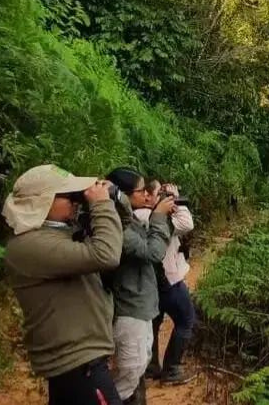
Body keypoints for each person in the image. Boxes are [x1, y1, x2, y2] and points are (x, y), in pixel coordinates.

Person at [3, 164, 123, 405]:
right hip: (78, 364)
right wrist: (101, 205)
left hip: (78, 363)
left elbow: (119, 232)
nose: (76, 201)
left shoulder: (55, 235)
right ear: (43, 201)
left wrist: (115, 200)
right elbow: (107, 254)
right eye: (69, 196)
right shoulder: (30, 246)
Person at [106, 167, 174, 405]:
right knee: (126, 376)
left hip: (139, 307)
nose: (146, 195)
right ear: (122, 195)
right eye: (141, 190)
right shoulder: (114, 225)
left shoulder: (128, 218)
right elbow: (153, 251)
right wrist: (157, 217)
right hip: (128, 309)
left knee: (137, 369)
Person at [137, 180, 196, 384]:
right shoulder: (153, 218)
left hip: (150, 281)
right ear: (147, 196)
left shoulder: (135, 216)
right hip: (168, 279)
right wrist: (175, 200)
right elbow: (187, 224)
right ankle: (172, 369)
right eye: (159, 192)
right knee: (186, 320)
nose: (164, 197)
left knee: (154, 321)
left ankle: (151, 366)